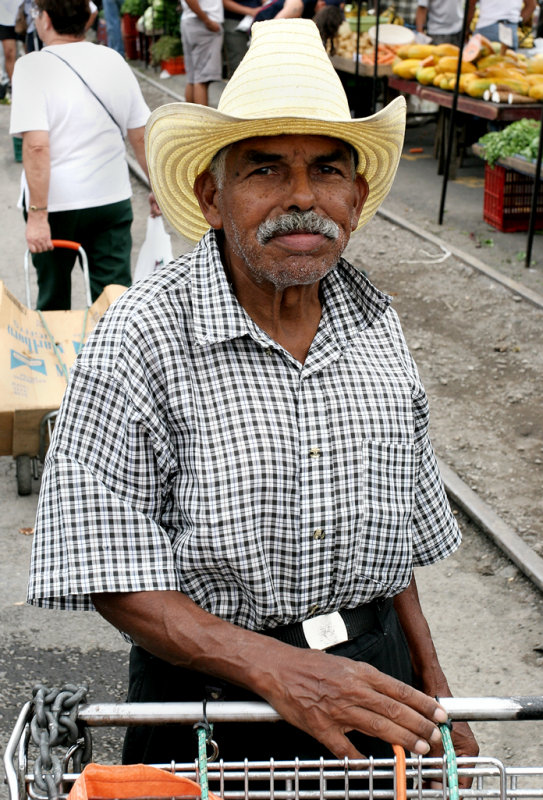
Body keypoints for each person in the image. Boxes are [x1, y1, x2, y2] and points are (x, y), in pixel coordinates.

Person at [28, 17, 479, 772]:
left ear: (356, 194)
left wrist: (432, 683)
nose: (302, 197)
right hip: (204, 698)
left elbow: (396, 543)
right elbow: (103, 564)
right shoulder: (143, 333)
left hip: (372, 679)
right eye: (266, 169)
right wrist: (280, 670)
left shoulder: (376, 325)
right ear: (211, 194)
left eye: (327, 171)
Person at [9, 0, 160, 310]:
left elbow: (37, 146)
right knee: (115, 298)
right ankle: (114, 357)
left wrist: (37, 216)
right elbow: (141, 134)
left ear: (46, 20)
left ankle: (58, 356)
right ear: (87, 20)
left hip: (55, 206)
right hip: (110, 201)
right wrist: (159, 188)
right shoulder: (113, 60)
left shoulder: (31, 66)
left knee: (53, 299)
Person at [180, 0, 223, 106]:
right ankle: (201, 121)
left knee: (193, 77)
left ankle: (190, 119)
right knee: (201, 79)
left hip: (191, 20)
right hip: (203, 23)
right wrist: (207, 21)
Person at [467, 0, 536, 50]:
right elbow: (531, 6)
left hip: (487, 28)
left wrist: (466, 28)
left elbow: (471, 3)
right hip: (510, 29)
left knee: (481, 66)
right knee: (508, 66)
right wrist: (518, 21)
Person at [222, 0, 261, 78]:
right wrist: (251, 11)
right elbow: (224, 2)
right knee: (238, 65)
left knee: (258, 64)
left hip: (257, 20)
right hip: (234, 21)